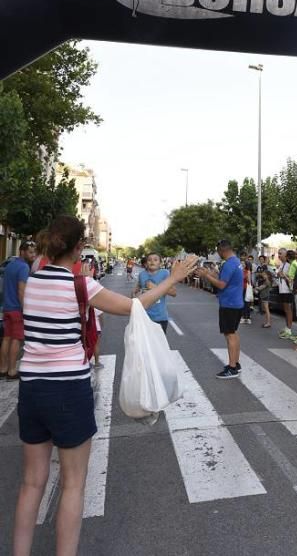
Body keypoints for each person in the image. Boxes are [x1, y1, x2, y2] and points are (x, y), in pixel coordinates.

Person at [12, 216, 197, 556]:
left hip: (31, 388)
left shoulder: (34, 280)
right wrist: (173, 277)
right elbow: (134, 307)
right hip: (68, 388)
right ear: (79, 248)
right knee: (73, 484)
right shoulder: (80, 285)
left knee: (31, 482)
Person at [196, 240, 243, 378]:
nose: (218, 254)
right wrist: (210, 273)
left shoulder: (229, 264)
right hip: (235, 303)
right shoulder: (235, 261)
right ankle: (236, 363)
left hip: (229, 304)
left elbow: (222, 285)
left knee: (230, 335)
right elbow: (224, 279)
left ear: (222, 250)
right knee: (233, 333)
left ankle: (232, 368)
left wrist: (206, 276)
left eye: (218, 251)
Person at [0, 241, 36, 381]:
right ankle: (12, 371)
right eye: (30, 252)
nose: (33, 255)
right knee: (17, 339)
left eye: (34, 252)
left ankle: (2, 369)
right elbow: (22, 291)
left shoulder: (10, 265)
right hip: (17, 309)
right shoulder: (23, 267)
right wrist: (25, 309)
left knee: (6, 338)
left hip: (7, 307)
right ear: (22, 252)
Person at [133, 252, 176, 334]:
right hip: (143, 317)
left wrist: (155, 288)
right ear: (146, 263)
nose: (152, 262)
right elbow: (138, 286)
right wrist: (134, 293)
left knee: (159, 345)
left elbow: (173, 293)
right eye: (149, 260)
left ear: (160, 263)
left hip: (160, 318)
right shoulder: (142, 274)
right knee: (144, 345)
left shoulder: (165, 273)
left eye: (155, 260)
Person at [276, 248, 294, 339]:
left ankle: (289, 330)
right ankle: (287, 328)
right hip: (282, 290)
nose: (279, 255)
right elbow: (278, 274)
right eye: (278, 254)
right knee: (285, 310)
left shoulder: (289, 265)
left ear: (286, 255)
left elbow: (290, 278)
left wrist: (283, 275)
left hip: (287, 291)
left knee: (288, 310)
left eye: (280, 254)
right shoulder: (282, 264)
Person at [239, 252, 252, 324]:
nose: (242, 265)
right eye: (241, 264)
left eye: (243, 264)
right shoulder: (238, 271)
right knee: (241, 303)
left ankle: (247, 317)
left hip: (246, 288)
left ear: (245, 265)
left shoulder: (247, 271)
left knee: (247, 303)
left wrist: (247, 277)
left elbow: (249, 281)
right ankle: (243, 317)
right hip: (240, 289)